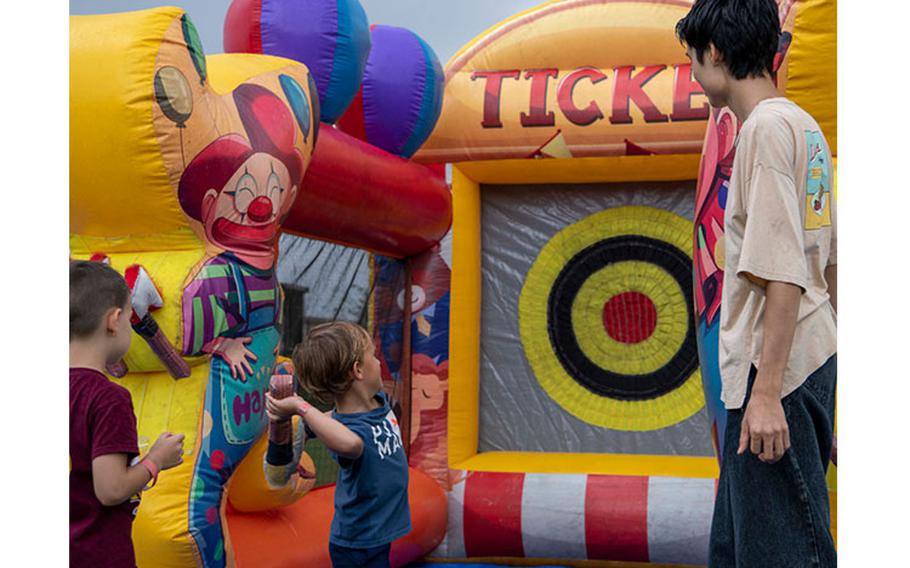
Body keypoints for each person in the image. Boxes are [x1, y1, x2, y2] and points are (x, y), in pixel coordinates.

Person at [676, 1, 837, 567]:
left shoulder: (763, 133)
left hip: (775, 376)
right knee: (739, 548)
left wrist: (767, 394)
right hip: (807, 363)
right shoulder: (803, 126)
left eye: (693, 60)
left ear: (715, 52)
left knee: (783, 553)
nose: (695, 76)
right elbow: (829, 262)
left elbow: (785, 270)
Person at [266, 321, 410, 568]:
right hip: (356, 542)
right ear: (358, 370)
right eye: (372, 357)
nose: (378, 362)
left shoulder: (378, 401)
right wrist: (300, 407)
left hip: (380, 531)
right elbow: (352, 444)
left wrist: (309, 422)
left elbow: (337, 418)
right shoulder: (348, 434)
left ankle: (303, 427)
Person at [70, 260, 185, 567]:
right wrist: (157, 459)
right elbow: (111, 489)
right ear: (115, 320)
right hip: (97, 555)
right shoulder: (108, 398)